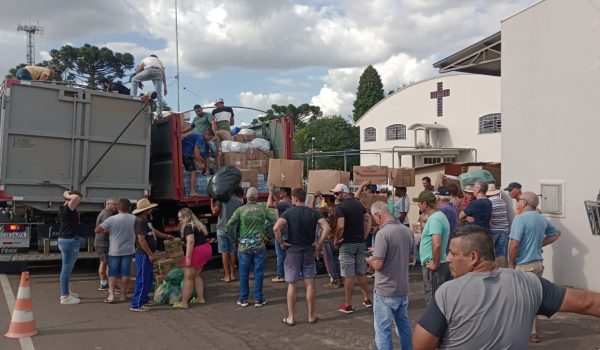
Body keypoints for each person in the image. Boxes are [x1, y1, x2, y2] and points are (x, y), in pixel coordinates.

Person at [412, 225, 600, 350]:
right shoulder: (529, 283)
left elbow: (420, 345)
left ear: (474, 257)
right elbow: (587, 302)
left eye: (453, 253)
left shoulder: (448, 292)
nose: (449, 259)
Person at [508, 191, 562, 343]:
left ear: (524, 203)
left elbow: (514, 244)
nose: (517, 202)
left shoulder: (520, 219)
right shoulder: (540, 218)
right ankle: (533, 332)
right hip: (538, 264)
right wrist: (539, 244)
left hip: (524, 266)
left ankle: (521, 332)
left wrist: (511, 264)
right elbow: (556, 233)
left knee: (520, 301)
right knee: (533, 299)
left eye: (518, 200)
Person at [273, 188, 331, 326]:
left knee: (292, 284)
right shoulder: (313, 212)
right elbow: (327, 227)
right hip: (308, 251)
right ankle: (311, 316)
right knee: (309, 282)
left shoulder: (288, 212)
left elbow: (276, 228)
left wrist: (281, 242)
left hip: (293, 251)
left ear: (294, 198)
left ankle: (291, 317)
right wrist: (318, 244)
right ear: (304, 198)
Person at [366, 201, 414, 350]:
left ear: (378, 215)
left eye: (375, 219)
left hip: (385, 290)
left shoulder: (383, 233)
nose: (376, 222)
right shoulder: (406, 231)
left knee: (383, 331)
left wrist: (370, 259)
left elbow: (378, 265)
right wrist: (380, 251)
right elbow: (411, 258)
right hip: (402, 289)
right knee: (404, 328)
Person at [227, 187, 274, 307]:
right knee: (258, 273)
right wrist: (268, 235)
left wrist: (234, 238)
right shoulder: (262, 209)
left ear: (246, 196)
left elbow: (229, 225)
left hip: (244, 247)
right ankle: (258, 299)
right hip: (259, 246)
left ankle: (243, 299)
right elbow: (274, 221)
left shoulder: (240, 210)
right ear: (257, 197)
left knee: (244, 274)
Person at [331, 183, 372, 314]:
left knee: (348, 275)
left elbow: (341, 226)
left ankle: (348, 304)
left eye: (337, 193)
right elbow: (368, 218)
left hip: (346, 244)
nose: (335, 196)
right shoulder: (358, 205)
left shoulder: (341, 208)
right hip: (360, 243)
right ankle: (366, 299)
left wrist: (336, 239)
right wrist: (365, 234)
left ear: (343, 193)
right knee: (361, 272)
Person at [130, 199, 176, 312]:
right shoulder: (140, 221)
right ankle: (136, 304)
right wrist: (150, 254)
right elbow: (141, 240)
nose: (151, 209)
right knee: (142, 278)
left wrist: (166, 236)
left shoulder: (146, 220)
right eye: (149, 208)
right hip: (144, 254)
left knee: (148, 278)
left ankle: (143, 299)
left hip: (147, 254)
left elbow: (153, 231)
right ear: (145, 210)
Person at [95, 198, 136, 303]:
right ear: (129, 208)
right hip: (129, 250)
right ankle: (123, 295)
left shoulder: (112, 219)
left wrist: (109, 230)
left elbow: (97, 229)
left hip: (114, 250)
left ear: (118, 208)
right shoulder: (135, 218)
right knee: (125, 273)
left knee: (113, 273)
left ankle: (112, 295)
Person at [413, 190, 450, 306]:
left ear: (424, 204)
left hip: (434, 266)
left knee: (433, 301)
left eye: (419, 202)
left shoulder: (435, 218)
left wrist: (435, 263)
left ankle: (434, 324)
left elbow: (437, 244)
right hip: (435, 264)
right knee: (436, 299)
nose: (418, 205)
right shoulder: (437, 216)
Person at [173, 208, 212, 309]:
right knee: (196, 276)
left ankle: (184, 303)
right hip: (206, 249)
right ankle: (200, 298)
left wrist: (188, 258)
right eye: (179, 217)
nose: (180, 220)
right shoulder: (197, 225)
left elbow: (190, 241)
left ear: (187, 217)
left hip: (197, 251)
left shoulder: (188, 227)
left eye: (181, 217)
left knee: (188, 278)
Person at [211, 186, 244, 282]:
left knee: (224, 252)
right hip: (232, 229)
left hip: (221, 229)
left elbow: (214, 211)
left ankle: (227, 276)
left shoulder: (222, 200)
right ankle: (233, 274)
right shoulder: (239, 202)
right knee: (232, 251)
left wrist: (212, 202)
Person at [311, 192, 342, 289]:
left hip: (327, 238)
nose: (323, 199)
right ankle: (340, 278)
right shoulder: (338, 209)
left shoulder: (325, 210)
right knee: (336, 259)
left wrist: (314, 198)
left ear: (327, 199)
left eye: (325, 197)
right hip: (337, 238)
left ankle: (334, 280)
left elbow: (311, 210)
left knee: (329, 260)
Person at [58, 190, 83, 305]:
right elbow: (76, 198)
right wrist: (66, 194)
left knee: (68, 268)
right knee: (66, 269)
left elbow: (76, 198)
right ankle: (65, 296)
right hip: (69, 241)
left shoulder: (65, 208)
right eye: (78, 201)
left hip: (68, 240)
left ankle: (66, 291)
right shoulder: (67, 208)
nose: (78, 202)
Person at [182, 104, 221, 169]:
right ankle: (207, 171)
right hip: (201, 139)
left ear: (201, 109)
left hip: (209, 137)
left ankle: (219, 170)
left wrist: (215, 134)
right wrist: (181, 131)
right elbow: (190, 127)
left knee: (215, 153)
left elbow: (213, 123)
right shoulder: (195, 119)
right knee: (205, 155)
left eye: (199, 111)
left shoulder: (207, 115)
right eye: (196, 112)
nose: (198, 113)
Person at [267, 185, 293, 283]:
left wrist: (270, 192)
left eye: (281, 191)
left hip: (281, 232)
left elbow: (269, 204)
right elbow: (278, 201)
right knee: (288, 254)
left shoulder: (284, 203)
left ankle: (280, 275)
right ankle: (288, 273)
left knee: (280, 254)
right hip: (288, 231)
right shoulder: (289, 202)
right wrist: (273, 192)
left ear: (286, 193)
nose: (279, 193)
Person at [95, 197, 118, 291]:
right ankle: (110, 285)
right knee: (109, 264)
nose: (116, 207)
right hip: (104, 243)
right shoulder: (107, 215)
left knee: (104, 263)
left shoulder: (105, 213)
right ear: (108, 204)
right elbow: (105, 229)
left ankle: (103, 283)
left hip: (101, 243)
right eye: (114, 205)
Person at [182, 130, 216, 195]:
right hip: (186, 153)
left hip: (184, 151)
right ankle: (192, 191)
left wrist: (200, 159)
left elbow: (196, 152)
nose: (210, 140)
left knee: (192, 169)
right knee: (193, 171)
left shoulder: (198, 135)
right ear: (206, 134)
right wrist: (199, 163)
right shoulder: (201, 139)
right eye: (210, 138)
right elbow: (196, 151)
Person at [487, 184, 509, 267]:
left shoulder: (489, 202)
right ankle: (502, 270)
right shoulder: (503, 201)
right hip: (505, 229)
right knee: (501, 252)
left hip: (494, 229)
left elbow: (490, 217)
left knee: (491, 252)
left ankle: (494, 270)